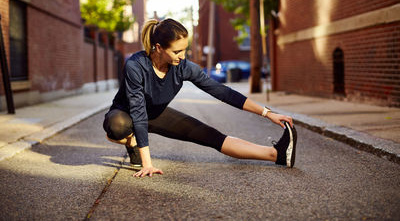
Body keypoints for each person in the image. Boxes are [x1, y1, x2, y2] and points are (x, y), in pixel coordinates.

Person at [103, 18, 297, 178]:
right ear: (158, 47)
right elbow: (137, 111)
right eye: (176, 51)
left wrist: (267, 113)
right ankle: (133, 143)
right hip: (126, 114)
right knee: (116, 126)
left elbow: (222, 92)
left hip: (156, 114)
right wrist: (148, 164)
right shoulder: (136, 66)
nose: (182, 56)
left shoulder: (183, 67)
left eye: (184, 50)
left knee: (212, 136)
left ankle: (276, 155)